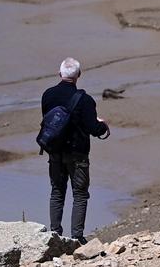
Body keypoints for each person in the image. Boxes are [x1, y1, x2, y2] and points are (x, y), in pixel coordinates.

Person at [41, 57, 110, 244]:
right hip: (78, 153)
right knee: (79, 194)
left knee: (57, 192)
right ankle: (77, 237)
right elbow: (94, 129)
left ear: (59, 74)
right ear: (79, 75)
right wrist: (103, 125)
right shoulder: (85, 100)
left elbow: (49, 122)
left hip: (54, 151)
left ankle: (54, 234)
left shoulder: (48, 95)